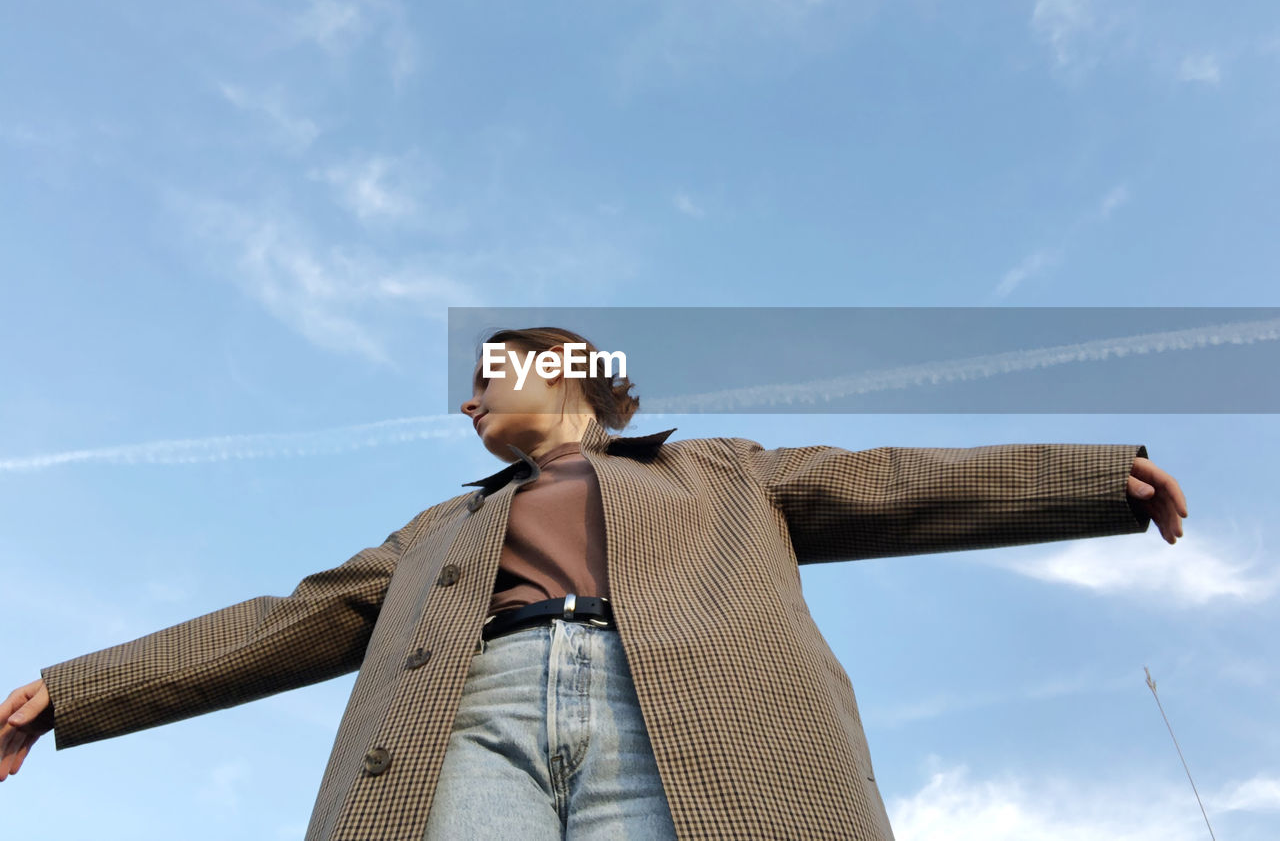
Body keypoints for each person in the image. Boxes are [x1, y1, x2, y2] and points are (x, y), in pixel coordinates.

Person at [0, 326, 1187, 840]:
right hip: (470, 717)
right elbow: (292, 617)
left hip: (684, 715)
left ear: (563, 370)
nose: (466, 402)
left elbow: (882, 479)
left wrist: (1090, 478)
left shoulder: (716, 467)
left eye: (485, 377)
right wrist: (75, 690)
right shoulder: (434, 529)